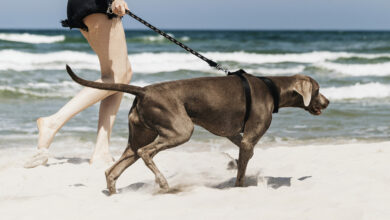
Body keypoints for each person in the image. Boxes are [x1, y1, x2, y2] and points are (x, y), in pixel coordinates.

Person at [25, 0, 132, 168]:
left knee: (122, 74)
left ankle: (102, 150)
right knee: (116, 77)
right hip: (98, 4)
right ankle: (52, 123)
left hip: (91, 5)